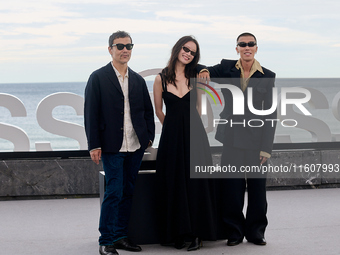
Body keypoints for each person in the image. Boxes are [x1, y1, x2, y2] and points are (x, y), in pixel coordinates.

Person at [198, 32, 276, 246]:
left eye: (251, 44)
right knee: (231, 188)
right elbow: (199, 69)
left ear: (256, 48)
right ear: (237, 48)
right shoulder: (226, 67)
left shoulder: (267, 75)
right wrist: (204, 70)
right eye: (243, 44)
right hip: (231, 139)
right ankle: (234, 232)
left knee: (257, 190)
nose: (247, 47)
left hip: (257, 142)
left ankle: (256, 232)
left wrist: (266, 148)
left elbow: (271, 114)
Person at [84, 31, 155, 255]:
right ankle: (106, 241)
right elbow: (90, 113)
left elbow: (146, 111)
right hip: (111, 146)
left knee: (128, 192)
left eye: (129, 46)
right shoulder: (98, 77)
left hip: (135, 146)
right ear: (110, 49)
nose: (125, 50)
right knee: (114, 192)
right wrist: (94, 144)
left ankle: (121, 237)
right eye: (120, 46)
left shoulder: (137, 79)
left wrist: (148, 137)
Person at [153, 36, 216, 252]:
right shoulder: (160, 78)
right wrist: (171, 127)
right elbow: (159, 110)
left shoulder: (196, 77)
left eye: (192, 52)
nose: (188, 53)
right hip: (171, 139)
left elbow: (198, 108)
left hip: (195, 136)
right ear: (177, 48)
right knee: (174, 183)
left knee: (196, 184)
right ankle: (178, 234)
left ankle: (197, 234)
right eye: (185, 49)